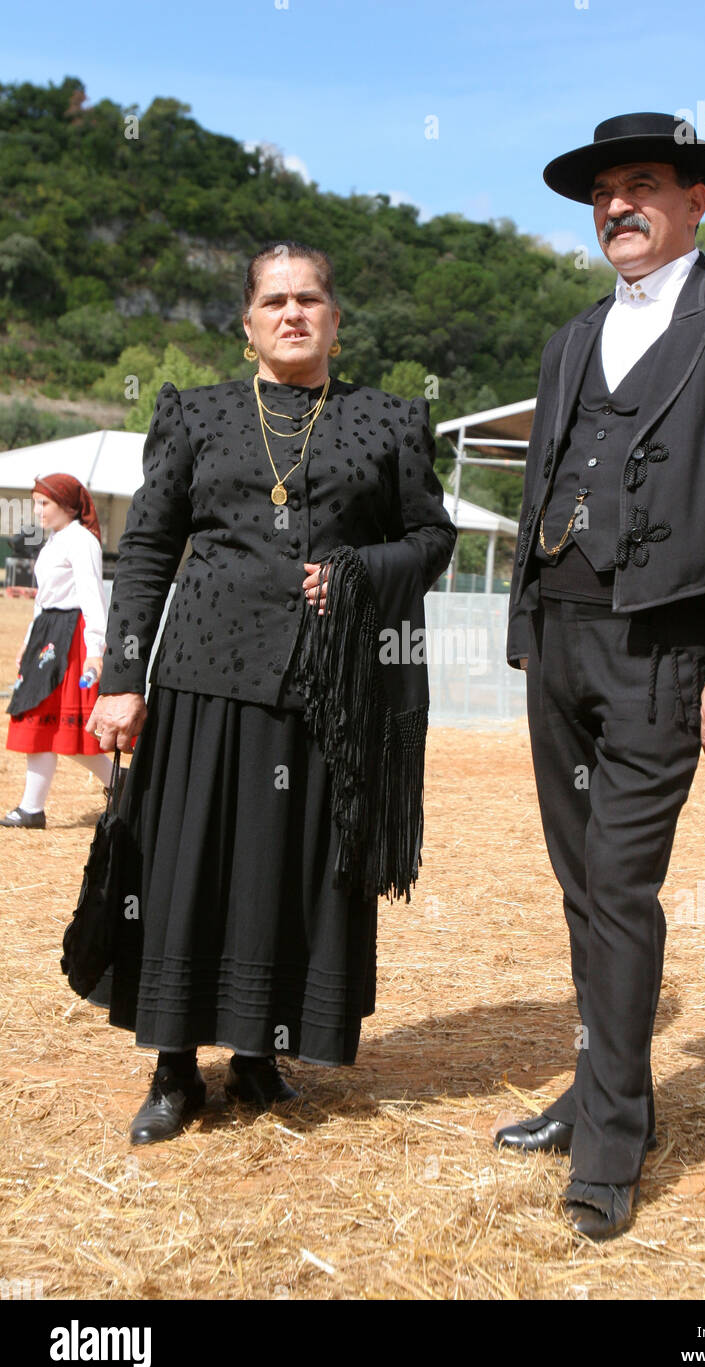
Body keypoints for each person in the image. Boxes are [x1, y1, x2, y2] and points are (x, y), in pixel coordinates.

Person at [496, 113, 705, 1239]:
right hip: (562, 642)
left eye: (639, 186)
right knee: (582, 891)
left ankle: (610, 1143)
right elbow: (549, 476)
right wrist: (525, 626)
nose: (615, 207)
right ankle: (594, 1086)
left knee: (620, 890)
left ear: (693, 201)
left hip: (666, 651)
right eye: (601, 193)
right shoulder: (570, 336)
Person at [86, 239, 456, 1145]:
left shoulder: (388, 421)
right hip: (204, 679)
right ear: (248, 324)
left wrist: (361, 571)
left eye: (310, 299)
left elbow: (431, 539)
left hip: (328, 693)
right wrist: (123, 677)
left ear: (336, 318)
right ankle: (174, 1068)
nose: (293, 313)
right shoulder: (197, 415)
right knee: (187, 871)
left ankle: (259, 1056)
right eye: (273, 301)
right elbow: (145, 553)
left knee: (287, 871)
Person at [3, 474, 113, 829]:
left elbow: (92, 597)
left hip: (72, 638)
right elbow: (43, 599)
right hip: (48, 634)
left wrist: (96, 649)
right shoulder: (54, 542)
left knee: (66, 728)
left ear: (68, 506)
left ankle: (118, 782)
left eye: (44, 503)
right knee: (40, 720)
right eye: (35, 502)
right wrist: (27, 642)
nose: (37, 511)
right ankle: (32, 808)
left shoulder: (82, 542)